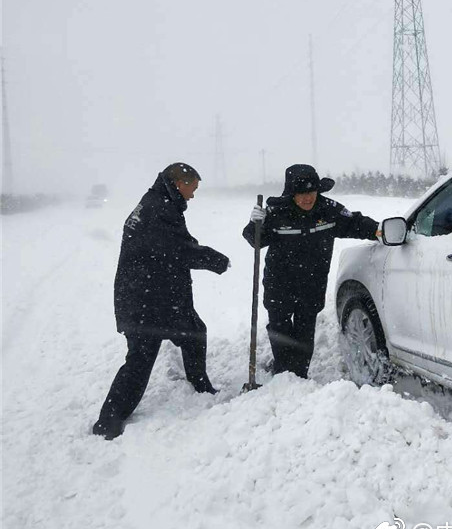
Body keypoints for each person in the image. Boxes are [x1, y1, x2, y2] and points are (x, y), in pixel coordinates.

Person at [92, 163, 230, 440]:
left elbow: (174, 245)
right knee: (140, 359)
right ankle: (108, 421)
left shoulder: (159, 201)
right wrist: (213, 259)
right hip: (146, 300)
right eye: (193, 188)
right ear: (179, 182)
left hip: (158, 295)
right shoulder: (160, 208)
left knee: (193, 333)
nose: (193, 195)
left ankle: (199, 383)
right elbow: (178, 251)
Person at [243, 164, 381, 378]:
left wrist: (378, 230)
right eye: (302, 193)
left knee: (305, 329)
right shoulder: (276, 212)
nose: (308, 198)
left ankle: (299, 372)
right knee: (279, 327)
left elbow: (354, 222)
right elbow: (255, 241)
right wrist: (255, 224)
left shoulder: (329, 210)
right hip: (279, 283)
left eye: (311, 192)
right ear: (291, 193)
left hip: (312, 283)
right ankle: (282, 370)